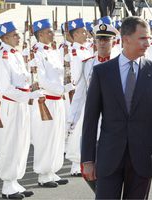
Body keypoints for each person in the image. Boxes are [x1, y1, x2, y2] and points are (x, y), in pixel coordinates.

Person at [81, 16, 152, 199]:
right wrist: (88, 159)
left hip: (142, 159)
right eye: (143, 38)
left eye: (148, 38)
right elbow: (90, 119)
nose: (148, 43)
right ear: (126, 39)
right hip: (109, 157)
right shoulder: (102, 72)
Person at [0, 21, 42, 199]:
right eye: (14, 35)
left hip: (21, 103)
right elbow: (6, 88)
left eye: (18, 34)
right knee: (10, 143)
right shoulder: (1, 56)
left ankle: (15, 181)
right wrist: (30, 96)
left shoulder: (16, 54)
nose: (19, 37)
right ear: (5, 37)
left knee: (22, 143)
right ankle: (7, 184)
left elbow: (22, 80)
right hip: (10, 105)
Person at [66, 22, 119, 178]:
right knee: (91, 159)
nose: (102, 43)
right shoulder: (87, 64)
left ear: (114, 42)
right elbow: (80, 94)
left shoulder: (121, 63)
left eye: (106, 39)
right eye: (99, 39)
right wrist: (72, 119)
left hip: (114, 117)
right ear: (94, 41)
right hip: (92, 115)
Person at [30, 19, 73, 187]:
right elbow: (41, 79)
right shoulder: (37, 53)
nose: (52, 34)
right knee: (45, 137)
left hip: (58, 100)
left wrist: (68, 81)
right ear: (40, 34)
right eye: (48, 32)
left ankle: (53, 170)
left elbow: (60, 72)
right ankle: (43, 174)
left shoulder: (54, 51)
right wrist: (61, 89)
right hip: (46, 100)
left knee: (58, 136)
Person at [65, 18, 91, 176]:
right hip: (81, 93)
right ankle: (75, 164)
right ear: (74, 35)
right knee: (78, 129)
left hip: (89, 92)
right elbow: (75, 77)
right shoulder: (74, 52)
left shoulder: (85, 49)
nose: (85, 34)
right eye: (82, 32)